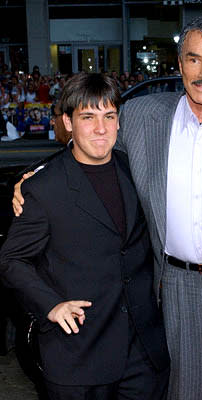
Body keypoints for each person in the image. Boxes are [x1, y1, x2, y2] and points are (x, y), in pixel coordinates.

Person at [12, 15, 202, 400]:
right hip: (172, 285)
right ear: (179, 65)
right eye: (194, 59)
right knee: (181, 392)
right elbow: (92, 141)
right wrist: (35, 174)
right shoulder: (145, 116)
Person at [1, 72, 170, 400]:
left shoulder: (135, 170)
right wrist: (51, 305)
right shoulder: (43, 188)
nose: (101, 128)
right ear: (67, 121)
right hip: (80, 357)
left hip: (143, 357)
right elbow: (11, 259)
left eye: (109, 116)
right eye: (88, 117)